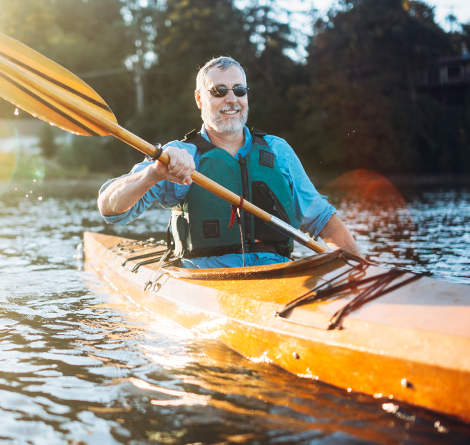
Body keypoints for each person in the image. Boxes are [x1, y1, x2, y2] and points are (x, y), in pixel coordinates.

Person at [98, 56, 362, 268]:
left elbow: (323, 221)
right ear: (200, 99)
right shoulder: (177, 156)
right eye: (218, 91)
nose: (231, 99)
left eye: (239, 90)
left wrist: (363, 273)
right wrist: (152, 175)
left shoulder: (278, 151)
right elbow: (109, 209)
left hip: (277, 279)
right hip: (207, 284)